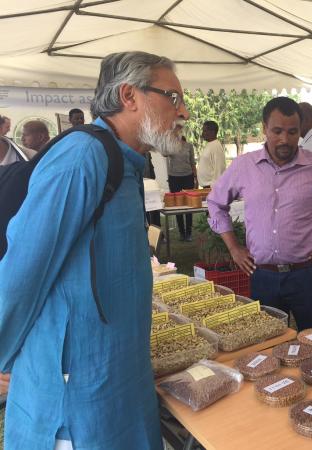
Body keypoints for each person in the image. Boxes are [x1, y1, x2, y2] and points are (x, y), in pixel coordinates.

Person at [0, 50, 189, 450]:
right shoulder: (82, 157)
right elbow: (22, 268)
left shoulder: (127, 162)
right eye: (173, 97)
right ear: (129, 96)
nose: (184, 111)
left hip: (119, 374)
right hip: (77, 393)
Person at [207, 97, 312, 331]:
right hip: (262, 275)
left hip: (310, 275)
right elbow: (215, 203)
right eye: (277, 131)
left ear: (301, 130)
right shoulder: (244, 167)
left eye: (292, 132)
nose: (284, 139)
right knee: (267, 350)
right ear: (264, 129)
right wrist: (234, 248)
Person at [166, 135, 198, 241]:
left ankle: (188, 233)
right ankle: (181, 232)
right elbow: (164, 153)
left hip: (188, 177)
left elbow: (192, 162)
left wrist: (195, 178)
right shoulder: (171, 146)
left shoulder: (189, 146)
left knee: (189, 205)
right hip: (174, 178)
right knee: (177, 205)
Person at [196, 120, 226, 187]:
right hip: (207, 187)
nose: (202, 134)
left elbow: (220, 168)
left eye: (205, 131)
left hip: (212, 187)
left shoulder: (216, 146)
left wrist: (215, 187)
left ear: (212, 132)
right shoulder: (210, 144)